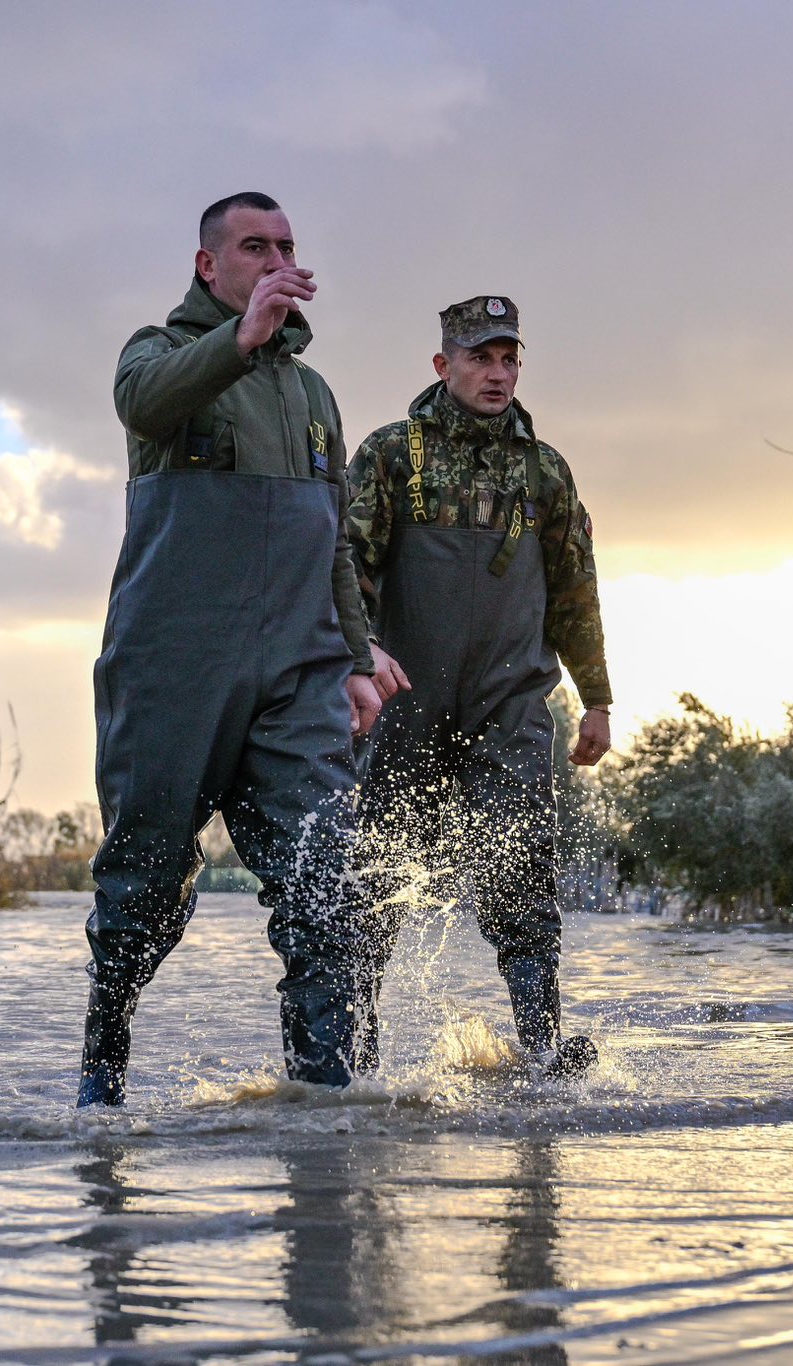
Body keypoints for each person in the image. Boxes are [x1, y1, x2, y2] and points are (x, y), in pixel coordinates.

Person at [77, 191, 384, 1105]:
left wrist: (359, 661)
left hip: (297, 675)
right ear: (210, 265)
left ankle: (324, 1104)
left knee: (327, 885)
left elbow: (332, 538)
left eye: (286, 245)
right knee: (145, 883)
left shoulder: (313, 393)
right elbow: (144, 406)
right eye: (255, 246)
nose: (276, 259)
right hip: (176, 666)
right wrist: (240, 339)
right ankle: (103, 1075)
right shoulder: (158, 352)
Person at [343, 296, 612, 1075]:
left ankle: (539, 1050)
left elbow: (575, 591)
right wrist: (357, 662)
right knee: (375, 880)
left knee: (523, 870)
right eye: (479, 358)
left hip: (510, 703)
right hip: (403, 703)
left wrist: (597, 699)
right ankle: (353, 1062)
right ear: (443, 366)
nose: (498, 374)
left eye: (508, 358)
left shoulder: (545, 470)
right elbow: (346, 571)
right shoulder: (392, 455)